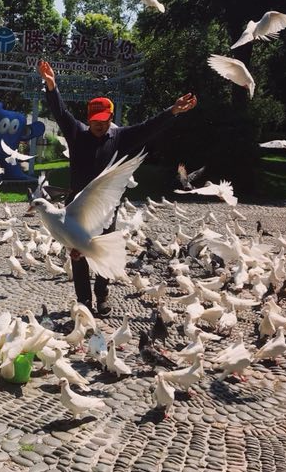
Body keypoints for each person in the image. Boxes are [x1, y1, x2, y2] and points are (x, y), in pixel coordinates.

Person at [37, 59, 197, 317]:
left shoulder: (120, 137)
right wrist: (51, 86)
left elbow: (148, 128)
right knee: (77, 254)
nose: (99, 125)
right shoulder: (77, 133)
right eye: (95, 120)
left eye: (104, 120)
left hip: (104, 208)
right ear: (88, 119)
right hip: (75, 206)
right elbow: (61, 113)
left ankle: (102, 296)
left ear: (111, 118)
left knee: (101, 248)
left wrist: (173, 111)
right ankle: (83, 301)